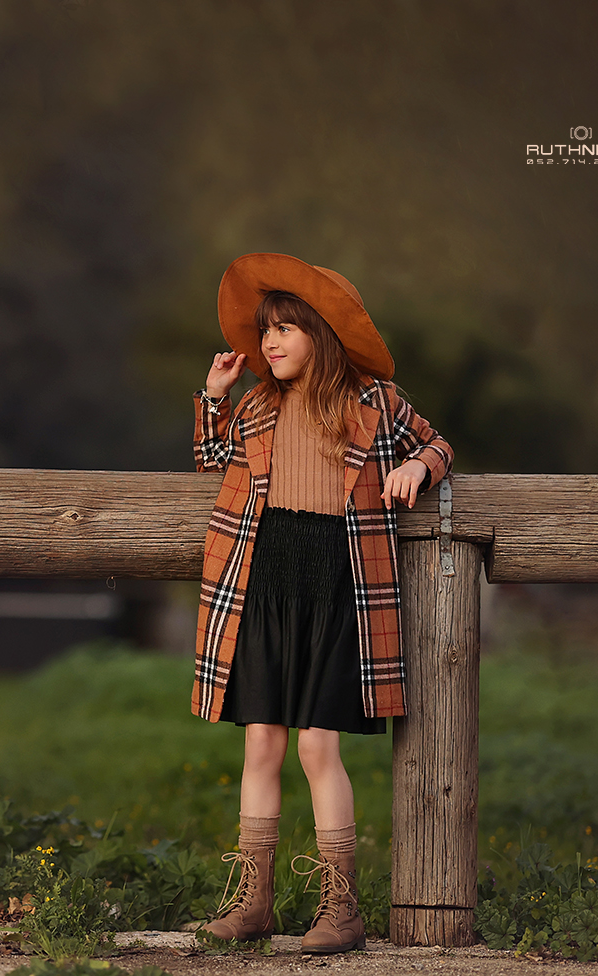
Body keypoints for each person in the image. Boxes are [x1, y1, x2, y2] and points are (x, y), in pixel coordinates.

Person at [193, 254, 452, 952]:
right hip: (263, 587)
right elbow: (212, 466)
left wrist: (410, 467)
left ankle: (342, 910)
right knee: (261, 744)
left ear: (322, 336)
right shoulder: (254, 406)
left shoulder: (375, 403)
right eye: (264, 332)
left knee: (315, 747)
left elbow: (438, 446)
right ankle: (253, 904)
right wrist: (213, 397)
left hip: (337, 588)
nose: (268, 343)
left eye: (284, 330)